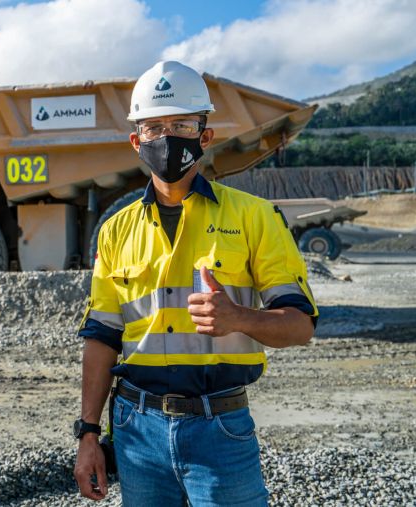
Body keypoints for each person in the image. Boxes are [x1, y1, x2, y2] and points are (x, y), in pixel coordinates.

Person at [72, 61, 318, 506]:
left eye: (182, 124)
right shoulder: (114, 231)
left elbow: (301, 326)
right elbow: (102, 338)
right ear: (136, 141)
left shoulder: (254, 217)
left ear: (205, 136)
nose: (167, 137)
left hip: (219, 429)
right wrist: (88, 433)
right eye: (154, 127)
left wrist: (239, 318)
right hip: (135, 432)